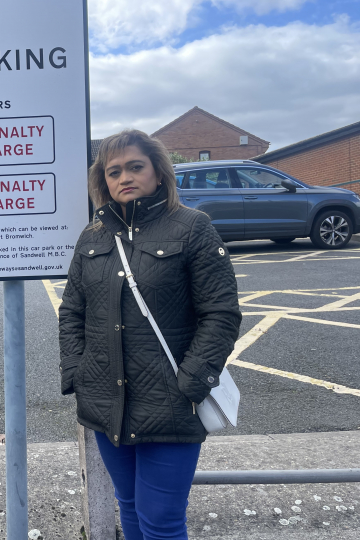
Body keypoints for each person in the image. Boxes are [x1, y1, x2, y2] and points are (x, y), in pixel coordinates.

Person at [58, 130, 241, 540]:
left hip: (172, 403)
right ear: (102, 181)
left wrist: (192, 382)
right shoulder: (92, 237)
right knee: (131, 511)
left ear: (158, 171)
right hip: (106, 403)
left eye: (135, 166)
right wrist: (77, 373)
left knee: (161, 522)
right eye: (113, 171)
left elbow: (221, 314)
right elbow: (71, 311)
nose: (125, 177)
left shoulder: (193, 228)